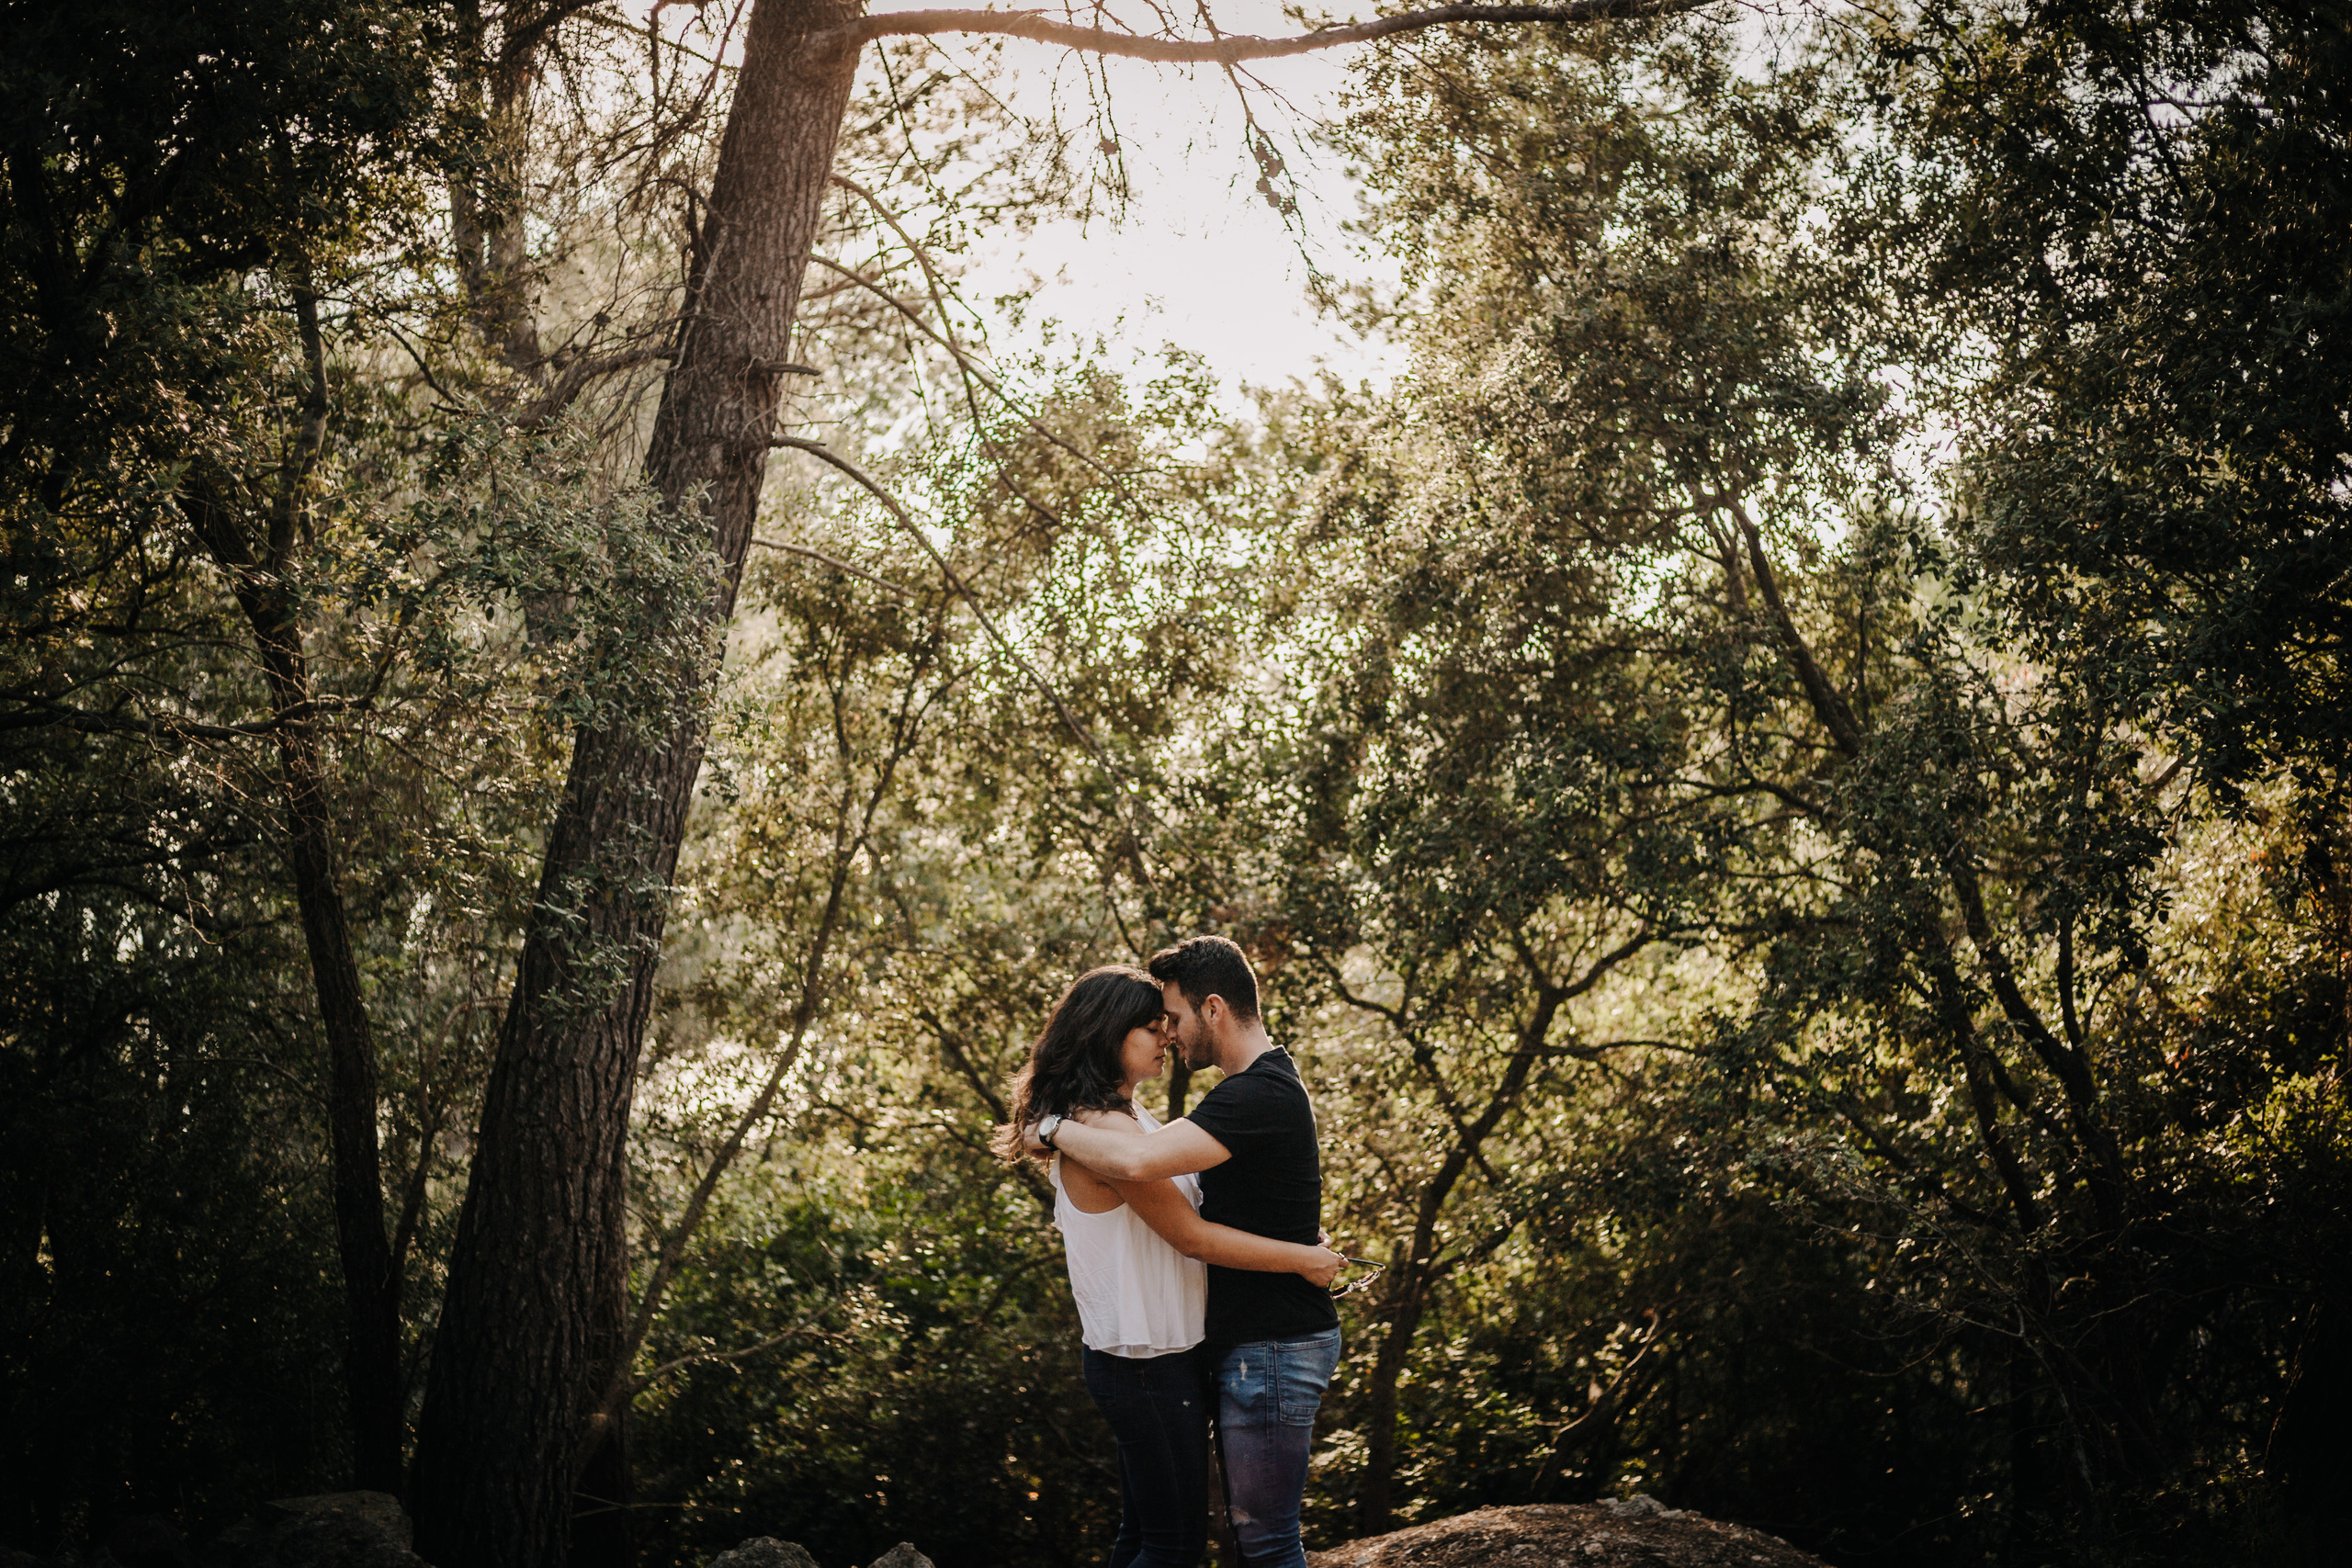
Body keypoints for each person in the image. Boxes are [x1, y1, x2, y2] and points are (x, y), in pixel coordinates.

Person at [997, 964, 1341, 1568]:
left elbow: (1184, 1187)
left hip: (1153, 1357)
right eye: (1152, 1027)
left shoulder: (1120, 1121)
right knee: (1172, 1547)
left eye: (1169, 1023)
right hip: (1145, 1361)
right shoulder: (1101, 1130)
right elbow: (1188, 1234)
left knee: (1144, 1535)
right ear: (1109, 1035)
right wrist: (1304, 1258)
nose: (1167, 1038)